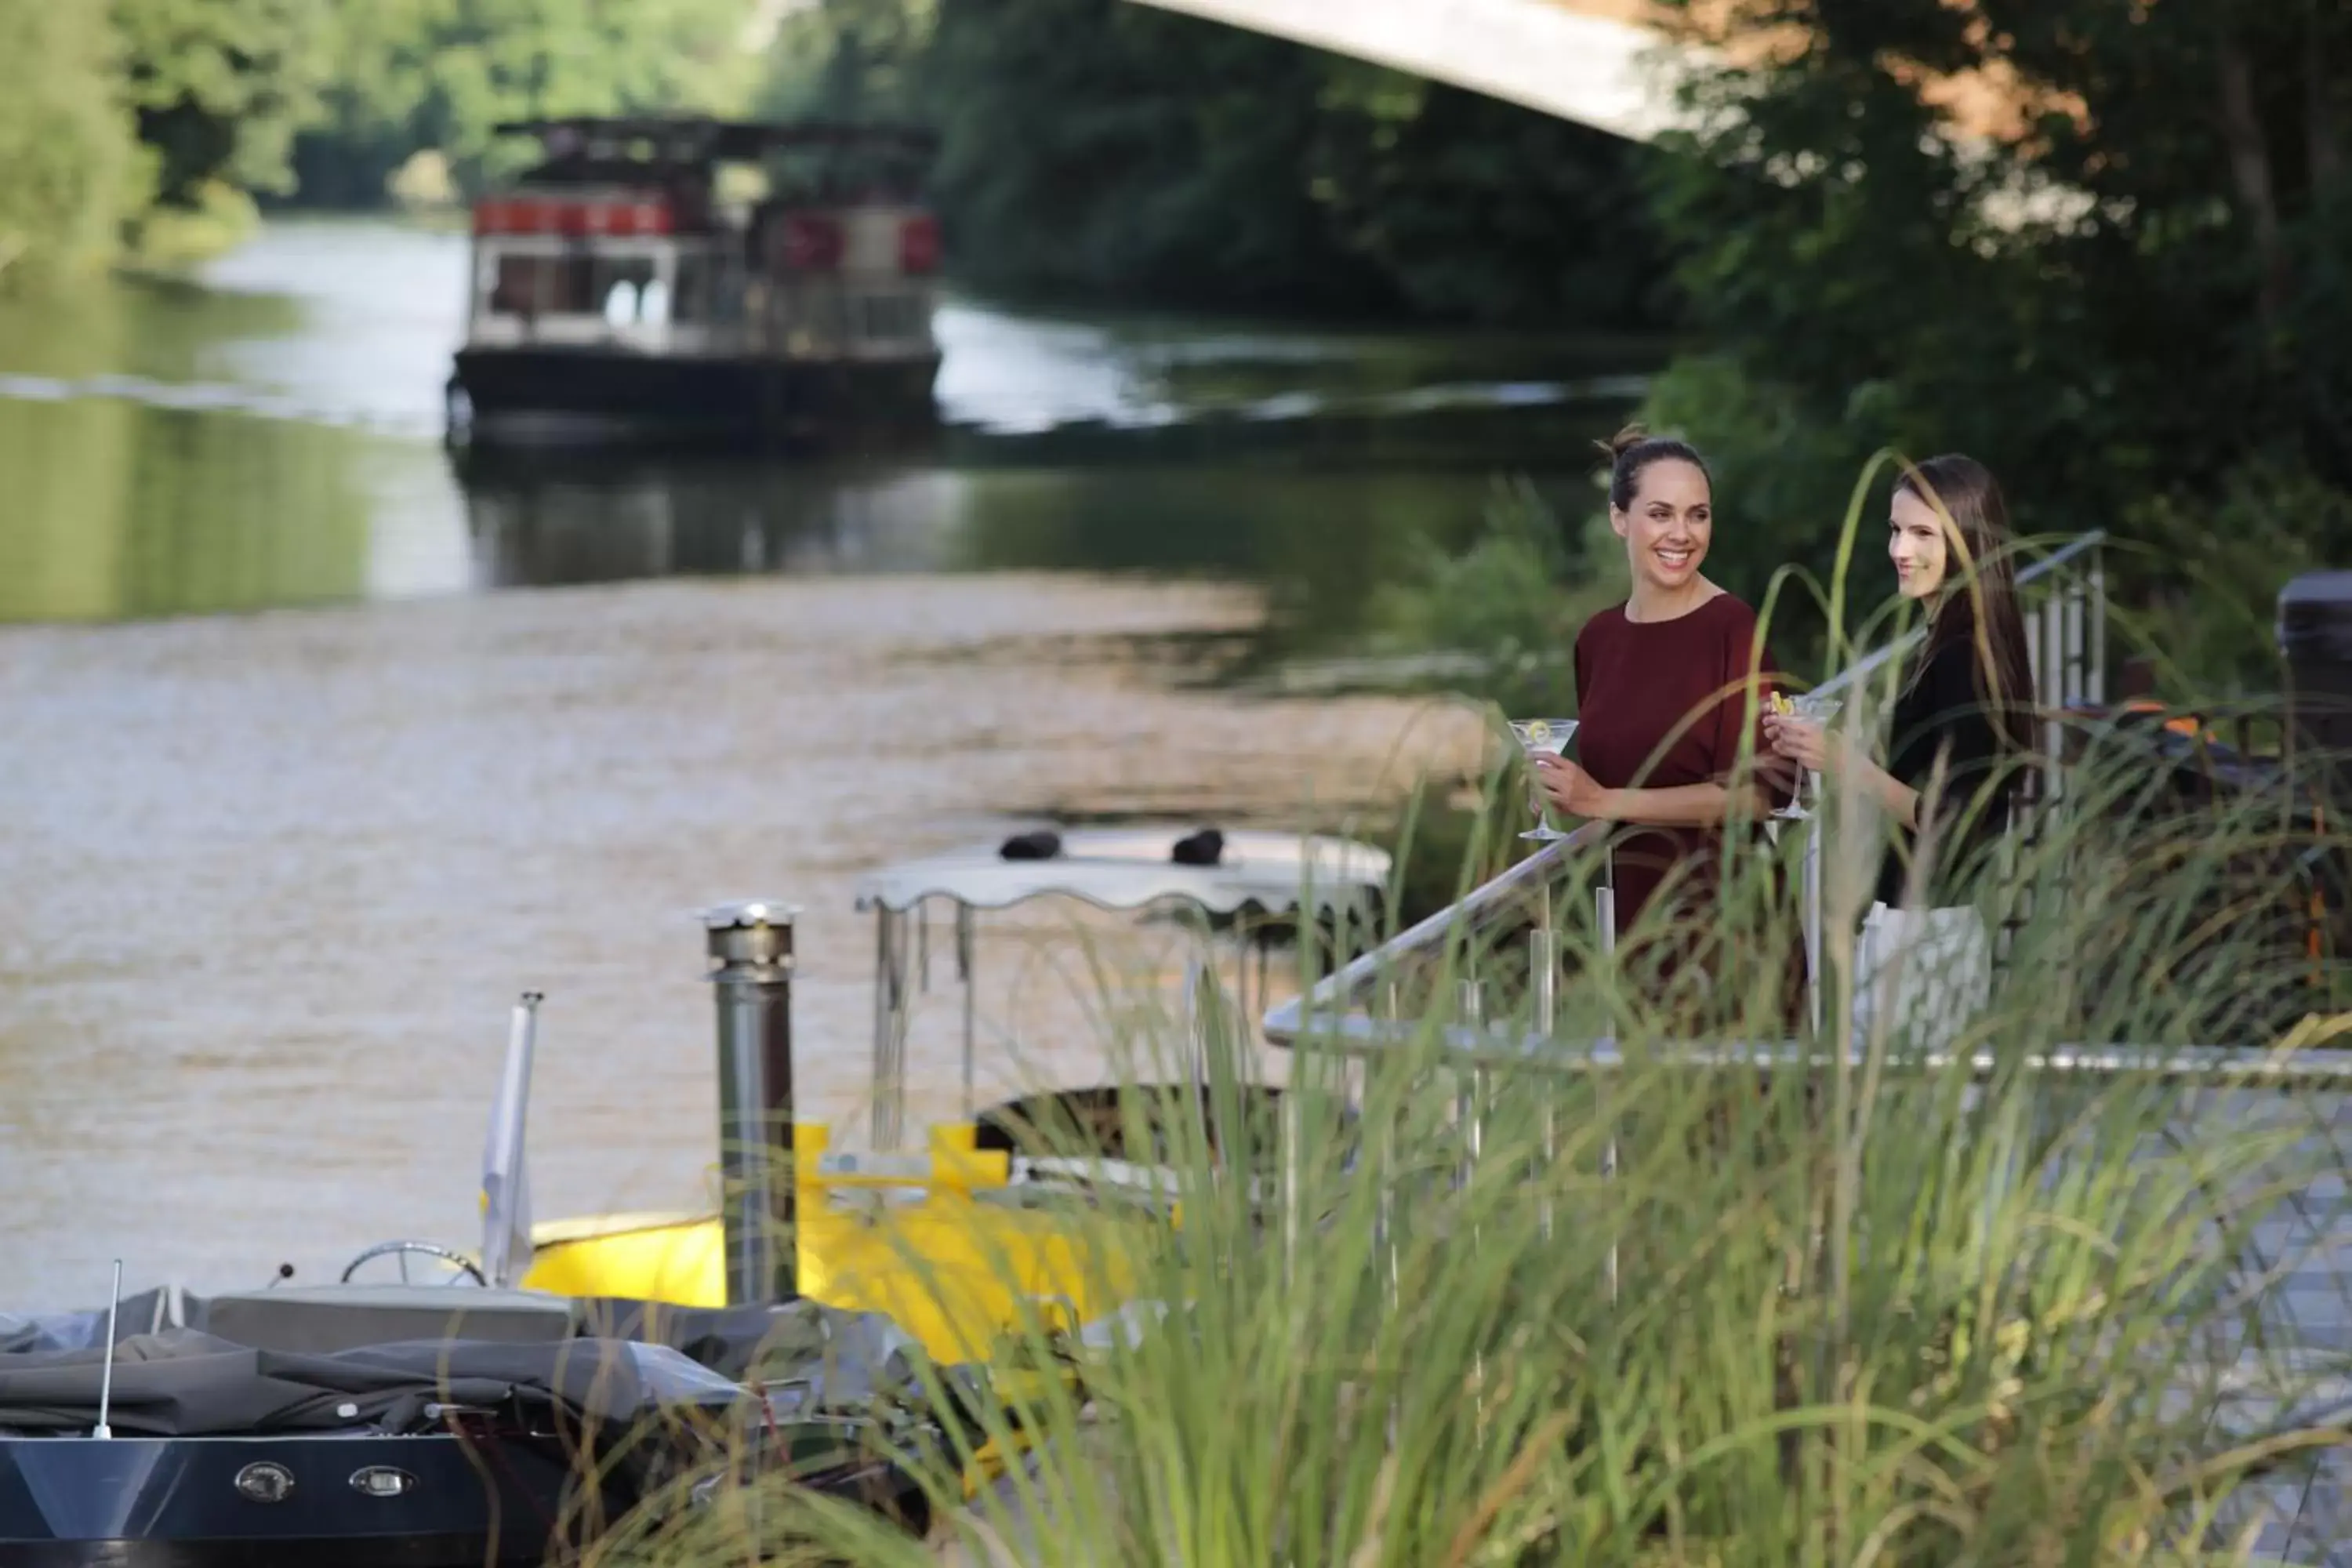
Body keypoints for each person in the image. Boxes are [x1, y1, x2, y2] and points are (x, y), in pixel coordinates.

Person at [1761, 453, 2036, 1046]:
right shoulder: (1943, 641)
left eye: (1922, 533)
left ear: (1966, 541)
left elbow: (1959, 820)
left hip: (1928, 939)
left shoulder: (1965, 657)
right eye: (1894, 529)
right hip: (1918, 930)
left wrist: (1841, 761)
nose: (1899, 550)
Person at [1535, 426, 1802, 1026]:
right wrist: (1560, 790)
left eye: (1698, 515)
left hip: (1732, 930)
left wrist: (1602, 799)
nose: (1682, 534)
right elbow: (1620, 775)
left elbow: (1755, 796)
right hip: (1639, 930)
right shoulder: (1598, 640)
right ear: (1619, 520)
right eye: (1660, 514)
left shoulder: (1732, 628)